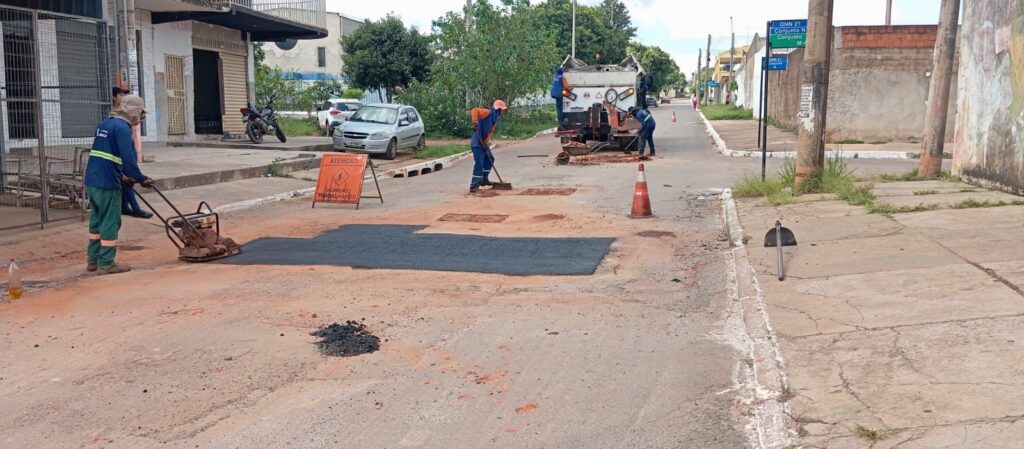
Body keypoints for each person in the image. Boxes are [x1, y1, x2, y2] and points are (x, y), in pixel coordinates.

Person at [85, 95, 154, 275]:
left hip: (92, 179)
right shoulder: (123, 128)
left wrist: (123, 175)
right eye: (140, 113)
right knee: (110, 221)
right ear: (133, 111)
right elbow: (128, 158)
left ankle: (93, 260)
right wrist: (140, 178)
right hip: (107, 181)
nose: (140, 118)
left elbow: (107, 154)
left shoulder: (104, 124)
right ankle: (106, 263)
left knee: (97, 219)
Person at [112, 87, 153, 219]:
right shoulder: (120, 125)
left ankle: (125, 207)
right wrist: (140, 178)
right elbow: (126, 156)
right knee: (128, 181)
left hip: (120, 162)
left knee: (126, 183)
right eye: (120, 94)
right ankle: (135, 209)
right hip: (119, 163)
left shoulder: (119, 123)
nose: (141, 118)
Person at [469, 100, 507, 193]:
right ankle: (474, 186)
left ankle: (484, 179)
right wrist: (475, 122)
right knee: (479, 164)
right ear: (498, 109)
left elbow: (489, 132)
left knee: (490, 158)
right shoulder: (487, 112)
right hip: (477, 143)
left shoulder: (495, 119)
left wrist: (486, 141)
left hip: (483, 143)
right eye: (501, 110)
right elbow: (474, 110)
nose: (502, 112)